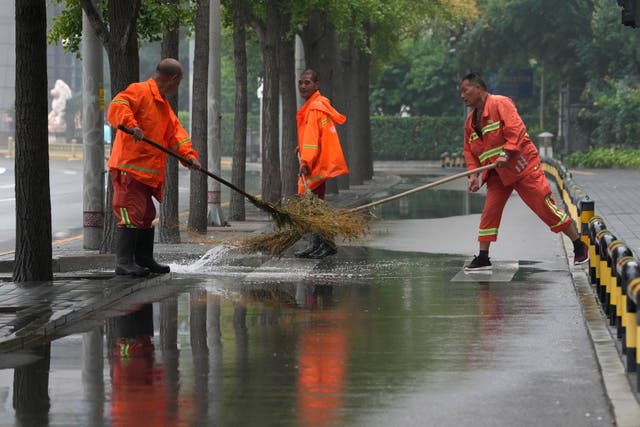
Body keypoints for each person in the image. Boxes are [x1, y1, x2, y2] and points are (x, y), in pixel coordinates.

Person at [460, 72, 588, 270]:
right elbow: (470, 151)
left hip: (521, 167)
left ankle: (579, 245)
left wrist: (506, 154)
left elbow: (516, 130)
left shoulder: (500, 103)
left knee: (543, 205)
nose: (462, 95)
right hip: (497, 174)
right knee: (489, 213)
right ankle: (483, 256)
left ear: (478, 88)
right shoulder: (470, 122)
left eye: (465, 90)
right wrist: (473, 175)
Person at [107, 58, 201, 276]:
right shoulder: (139, 91)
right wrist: (132, 126)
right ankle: (124, 262)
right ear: (174, 79)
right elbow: (117, 105)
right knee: (131, 213)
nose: (178, 87)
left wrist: (188, 156)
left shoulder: (162, 105)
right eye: (179, 82)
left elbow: (175, 135)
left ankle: (143, 258)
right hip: (130, 168)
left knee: (146, 214)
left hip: (146, 174)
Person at [294, 69, 349, 259]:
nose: (302, 86)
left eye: (307, 82)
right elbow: (314, 136)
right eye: (300, 82)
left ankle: (325, 243)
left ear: (316, 85)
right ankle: (320, 244)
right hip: (319, 160)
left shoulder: (315, 107)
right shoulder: (316, 105)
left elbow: (311, 140)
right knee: (315, 205)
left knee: (314, 206)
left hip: (315, 163)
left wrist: (306, 161)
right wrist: (300, 148)